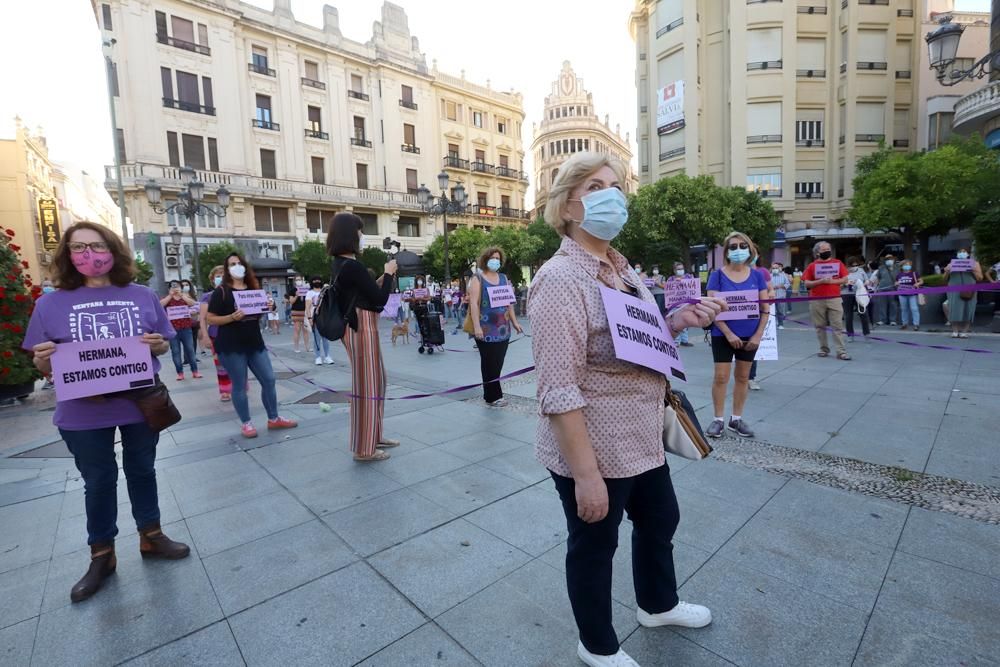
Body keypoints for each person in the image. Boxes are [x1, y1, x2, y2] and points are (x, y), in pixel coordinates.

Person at [529, 152, 723, 667]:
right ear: (568, 205)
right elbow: (558, 389)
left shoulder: (621, 267)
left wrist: (677, 320)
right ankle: (595, 644)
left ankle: (658, 605)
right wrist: (586, 477)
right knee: (594, 547)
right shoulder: (560, 279)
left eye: (615, 185)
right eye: (595, 186)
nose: (611, 195)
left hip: (642, 437)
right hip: (593, 446)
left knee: (661, 519)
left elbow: (636, 337)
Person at [22, 221, 190, 603]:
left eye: (96, 246)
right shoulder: (48, 304)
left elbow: (163, 344)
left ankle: (151, 535)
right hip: (83, 411)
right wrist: (42, 361)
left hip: (139, 403)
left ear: (113, 250)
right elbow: (44, 368)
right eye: (78, 247)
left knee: (143, 470)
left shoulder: (143, 295)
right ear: (66, 254)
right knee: (98, 481)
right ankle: (102, 554)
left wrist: (158, 346)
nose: (88, 254)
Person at [329, 213, 400, 461]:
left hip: (359, 326)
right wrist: (389, 273)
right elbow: (379, 299)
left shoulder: (341, 264)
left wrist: (381, 279)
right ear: (351, 234)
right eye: (359, 230)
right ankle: (364, 448)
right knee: (367, 385)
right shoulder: (352, 266)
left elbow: (365, 292)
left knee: (377, 380)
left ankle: (374, 434)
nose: (362, 235)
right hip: (360, 327)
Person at [206, 253, 298, 438]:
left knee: (269, 379)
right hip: (231, 346)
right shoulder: (222, 291)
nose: (236, 266)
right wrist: (232, 317)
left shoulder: (253, 289)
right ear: (226, 269)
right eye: (232, 264)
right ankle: (246, 423)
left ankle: (274, 418)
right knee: (239, 385)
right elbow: (210, 318)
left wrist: (268, 306)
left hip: (254, 343)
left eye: (239, 263)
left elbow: (258, 312)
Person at [706, 232, 770, 437]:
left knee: (743, 377)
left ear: (750, 249)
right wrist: (728, 333)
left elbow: (765, 309)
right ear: (726, 252)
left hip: (750, 336)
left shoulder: (757, 275)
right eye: (732, 247)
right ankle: (717, 420)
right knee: (721, 377)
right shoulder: (716, 275)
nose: (738, 250)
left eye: (742, 245)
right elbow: (712, 309)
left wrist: (758, 335)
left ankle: (736, 419)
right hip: (722, 335)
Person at [468, 246, 524, 407]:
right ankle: (493, 396)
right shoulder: (478, 278)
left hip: (503, 329)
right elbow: (473, 303)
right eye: (493, 258)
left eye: (498, 259)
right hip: (485, 329)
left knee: (498, 362)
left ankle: (492, 394)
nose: (496, 261)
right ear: (486, 259)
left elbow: (509, 303)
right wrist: (477, 326)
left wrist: (515, 322)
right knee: (488, 363)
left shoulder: (503, 278)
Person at [803, 241, 850, 360]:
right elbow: (807, 283)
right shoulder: (812, 266)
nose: (827, 251)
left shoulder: (837, 263)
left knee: (837, 325)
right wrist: (820, 281)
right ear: (818, 252)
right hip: (816, 300)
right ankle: (823, 348)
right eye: (824, 250)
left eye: (828, 249)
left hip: (834, 299)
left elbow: (845, 279)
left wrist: (832, 282)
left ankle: (841, 351)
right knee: (819, 326)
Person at [199, 265, 233, 402]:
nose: (221, 277)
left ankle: (239, 384)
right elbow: (202, 319)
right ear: (213, 279)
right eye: (218, 275)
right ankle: (225, 390)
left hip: (235, 334)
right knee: (221, 363)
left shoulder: (234, 293)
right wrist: (205, 337)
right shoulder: (207, 297)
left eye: (223, 275)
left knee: (238, 362)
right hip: (216, 334)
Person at [160, 280, 200, 380]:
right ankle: (180, 373)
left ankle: (195, 371)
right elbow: (160, 305)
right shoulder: (166, 299)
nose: (175, 288)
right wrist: (170, 295)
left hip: (186, 328)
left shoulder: (185, 297)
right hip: (172, 330)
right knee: (176, 352)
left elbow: (193, 303)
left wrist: (182, 295)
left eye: (177, 286)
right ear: (169, 288)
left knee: (190, 350)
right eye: (173, 286)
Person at [943, 248, 984, 339]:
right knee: (953, 309)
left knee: (968, 309)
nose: (962, 253)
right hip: (954, 289)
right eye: (960, 252)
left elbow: (980, 278)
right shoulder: (951, 264)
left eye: (964, 251)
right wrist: (947, 271)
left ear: (968, 253)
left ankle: (965, 331)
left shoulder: (975, 263)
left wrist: (973, 270)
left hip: (970, 289)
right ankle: (955, 331)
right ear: (957, 254)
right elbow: (944, 279)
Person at [305, 278, 334, 365]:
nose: (317, 281)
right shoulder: (310, 293)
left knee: (325, 337)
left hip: (325, 316)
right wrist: (309, 318)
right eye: (315, 280)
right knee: (317, 337)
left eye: (318, 280)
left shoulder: (324, 291)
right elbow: (307, 307)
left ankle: (327, 356)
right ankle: (318, 357)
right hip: (315, 315)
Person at [665, 262, 695, 347]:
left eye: (682, 269)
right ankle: (676, 341)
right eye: (678, 269)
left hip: (686, 304)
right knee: (675, 323)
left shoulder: (688, 277)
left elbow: (693, 286)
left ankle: (684, 340)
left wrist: (684, 281)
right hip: (675, 304)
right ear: (674, 270)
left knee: (685, 321)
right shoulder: (671, 279)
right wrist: (675, 282)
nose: (681, 271)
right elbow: (668, 289)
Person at [842, 257, 872, 341]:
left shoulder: (861, 271)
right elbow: (838, 284)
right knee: (848, 315)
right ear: (848, 266)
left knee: (863, 313)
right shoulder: (843, 271)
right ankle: (850, 335)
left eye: (856, 265)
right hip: (847, 294)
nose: (854, 267)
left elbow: (867, 280)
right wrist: (846, 284)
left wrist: (865, 283)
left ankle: (866, 334)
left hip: (859, 294)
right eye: (852, 266)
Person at [895, 259, 923, 331]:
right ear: (902, 266)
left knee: (914, 309)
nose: (907, 266)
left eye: (909, 265)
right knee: (904, 309)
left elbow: (921, 281)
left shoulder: (914, 273)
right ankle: (905, 324)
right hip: (902, 294)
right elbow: (896, 283)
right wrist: (896, 284)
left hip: (912, 294)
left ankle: (916, 324)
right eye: (905, 265)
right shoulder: (899, 275)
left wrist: (918, 283)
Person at [873, 254, 900, 326]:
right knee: (882, 305)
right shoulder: (881, 268)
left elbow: (901, 277)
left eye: (891, 259)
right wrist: (876, 288)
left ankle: (893, 320)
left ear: (894, 260)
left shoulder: (897, 267)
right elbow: (878, 278)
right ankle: (882, 320)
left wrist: (898, 282)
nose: (889, 260)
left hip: (893, 289)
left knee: (893, 305)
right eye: (887, 259)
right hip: (882, 289)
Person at [288, 277, 309, 353]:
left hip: (305, 311)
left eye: (300, 280)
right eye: (297, 280)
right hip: (296, 311)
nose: (298, 281)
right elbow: (291, 302)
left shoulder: (306, 290)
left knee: (305, 330)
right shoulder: (292, 290)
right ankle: (296, 347)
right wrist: (296, 295)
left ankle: (307, 347)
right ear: (295, 281)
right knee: (297, 329)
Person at [771, 262, 791, 329]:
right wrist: (772, 287)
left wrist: (781, 286)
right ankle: (772, 324)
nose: (775, 269)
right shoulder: (769, 276)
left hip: (780, 296)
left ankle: (780, 324)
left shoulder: (783, 276)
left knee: (780, 311)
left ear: (779, 268)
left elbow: (788, 284)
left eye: (776, 268)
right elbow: (765, 285)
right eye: (773, 268)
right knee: (772, 312)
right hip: (771, 297)